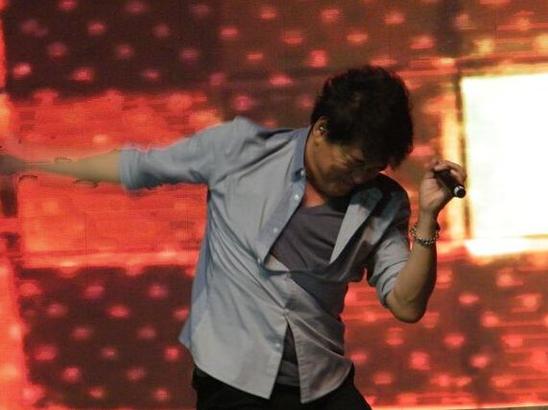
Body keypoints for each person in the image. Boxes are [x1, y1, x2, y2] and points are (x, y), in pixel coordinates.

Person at [1, 65, 466, 409]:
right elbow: (136, 166)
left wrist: (427, 217)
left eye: (373, 168)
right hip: (235, 380)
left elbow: (406, 305)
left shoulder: (382, 201)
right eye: (355, 163)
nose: (361, 177)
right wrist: (32, 163)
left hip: (320, 380)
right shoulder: (240, 152)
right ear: (322, 130)